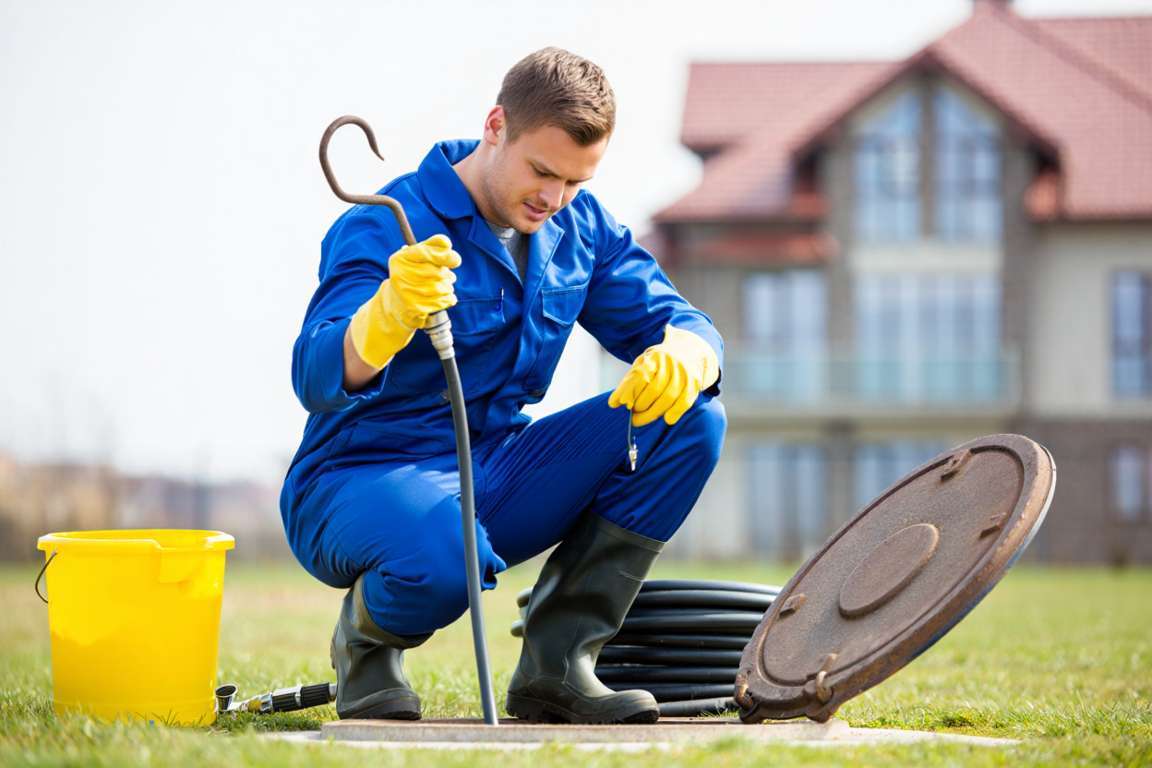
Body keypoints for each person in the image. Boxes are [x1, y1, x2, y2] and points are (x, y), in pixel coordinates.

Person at [280, 47, 726, 725]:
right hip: (359, 478)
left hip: (496, 471)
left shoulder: (581, 227)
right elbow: (314, 373)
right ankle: (366, 646)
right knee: (443, 556)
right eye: (542, 171)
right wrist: (384, 319)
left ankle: (558, 665)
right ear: (495, 127)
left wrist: (691, 349)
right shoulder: (388, 220)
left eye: (577, 181)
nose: (555, 198)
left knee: (689, 416)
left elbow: (672, 316)